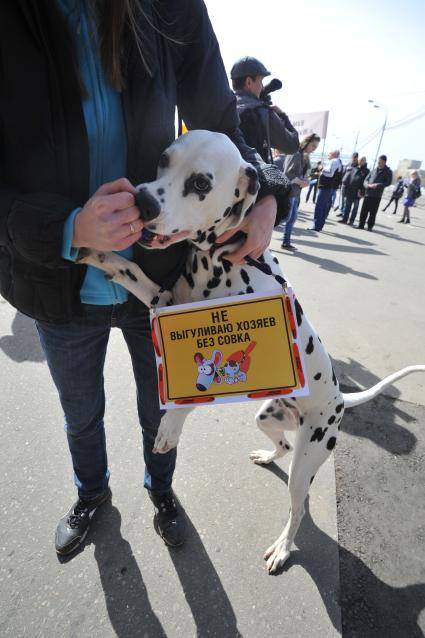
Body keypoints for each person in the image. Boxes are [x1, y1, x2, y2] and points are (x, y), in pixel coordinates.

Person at [0, 0, 291, 556]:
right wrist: (65, 226)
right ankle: (91, 494)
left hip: (164, 280)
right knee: (80, 415)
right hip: (56, 278)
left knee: (160, 408)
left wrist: (267, 194)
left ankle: (161, 491)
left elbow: (221, 120)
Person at [230, 56, 299, 163]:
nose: (262, 87)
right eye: (261, 81)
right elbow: (292, 146)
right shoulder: (262, 112)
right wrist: (282, 116)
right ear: (249, 82)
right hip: (251, 177)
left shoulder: (224, 106)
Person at [281, 134, 321, 250]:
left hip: (296, 192)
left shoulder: (304, 156)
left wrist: (306, 179)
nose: (314, 149)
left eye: (316, 147)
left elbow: (304, 173)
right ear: (306, 142)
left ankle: (286, 242)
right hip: (289, 191)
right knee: (285, 218)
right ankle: (271, 241)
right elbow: (287, 174)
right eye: (313, 145)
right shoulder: (295, 153)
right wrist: (300, 181)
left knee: (291, 219)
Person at [311, 150, 343, 231]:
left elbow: (330, 173)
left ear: (334, 154)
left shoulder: (334, 161)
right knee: (324, 207)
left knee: (319, 206)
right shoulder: (337, 162)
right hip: (328, 187)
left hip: (325, 187)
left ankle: (316, 226)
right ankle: (319, 226)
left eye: (329, 153)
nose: (328, 155)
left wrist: (322, 170)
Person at [358, 155, 393, 231]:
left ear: (384, 162)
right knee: (364, 210)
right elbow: (366, 180)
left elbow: (388, 182)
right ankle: (361, 225)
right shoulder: (374, 170)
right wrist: (367, 185)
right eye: (378, 162)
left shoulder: (388, 172)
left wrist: (378, 185)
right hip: (368, 194)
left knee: (373, 212)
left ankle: (370, 226)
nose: (379, 163)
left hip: (376, 195)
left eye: (380, 162)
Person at [339, 156, 370, 224]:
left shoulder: (366, 171)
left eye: (363, 160)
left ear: (365, 162)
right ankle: (345, 219)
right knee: (347, 206)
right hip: (350, 190)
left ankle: (351, 221)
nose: (361, 161)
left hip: (358, 192)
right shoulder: (354, 168)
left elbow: (366, 181)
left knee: (355, 208)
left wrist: (362, 192)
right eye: (360, 160)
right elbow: (349, 177)